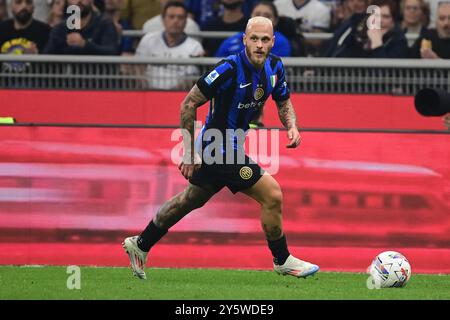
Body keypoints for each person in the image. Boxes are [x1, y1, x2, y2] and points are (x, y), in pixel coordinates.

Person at [122, 15, 320, 281]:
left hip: (233, 144)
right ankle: (282, 259)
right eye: (254, 39)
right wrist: (191, 152)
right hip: (217, 147)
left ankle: (141, 244)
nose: (259, 45)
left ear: (273, 42)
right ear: (244, 41)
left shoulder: (275, 66)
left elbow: (283, 101)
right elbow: (188, 104)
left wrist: (292, 126)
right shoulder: (228, 68)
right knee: (272, 195)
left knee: (189, 200)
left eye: (264, 40)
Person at [135, 1, 204, 89]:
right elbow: (138, 67)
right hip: (147, 92)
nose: (176, 21)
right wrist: (144, 85)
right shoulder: (148, 39)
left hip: (178, 95)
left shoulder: (195, 46)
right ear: (163, 20)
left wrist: (169, 94)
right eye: (171, 17)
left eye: (180, 17)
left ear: (186, 21)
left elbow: (191, 78)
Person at [322, 0, 409, 58]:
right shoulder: (355, 31)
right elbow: (334, 51)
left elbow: (385, 74)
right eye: (376, 15)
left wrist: (377, 43)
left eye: (386, 17)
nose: (379, 20)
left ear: (393, 21)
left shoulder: (398, 40)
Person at [215, 1, 292, 57]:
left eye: (267, 15)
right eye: (257, 14)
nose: (261, 18)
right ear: (250, 17)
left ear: (275, 21)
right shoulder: (232, 40)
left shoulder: (281, 43)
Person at [44, 0, 119, 55]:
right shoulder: (60, 28)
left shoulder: (104, 23)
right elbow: (48, 55)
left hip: (97, 75)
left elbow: (112, 51)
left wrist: (85, 44)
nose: (79, 1)